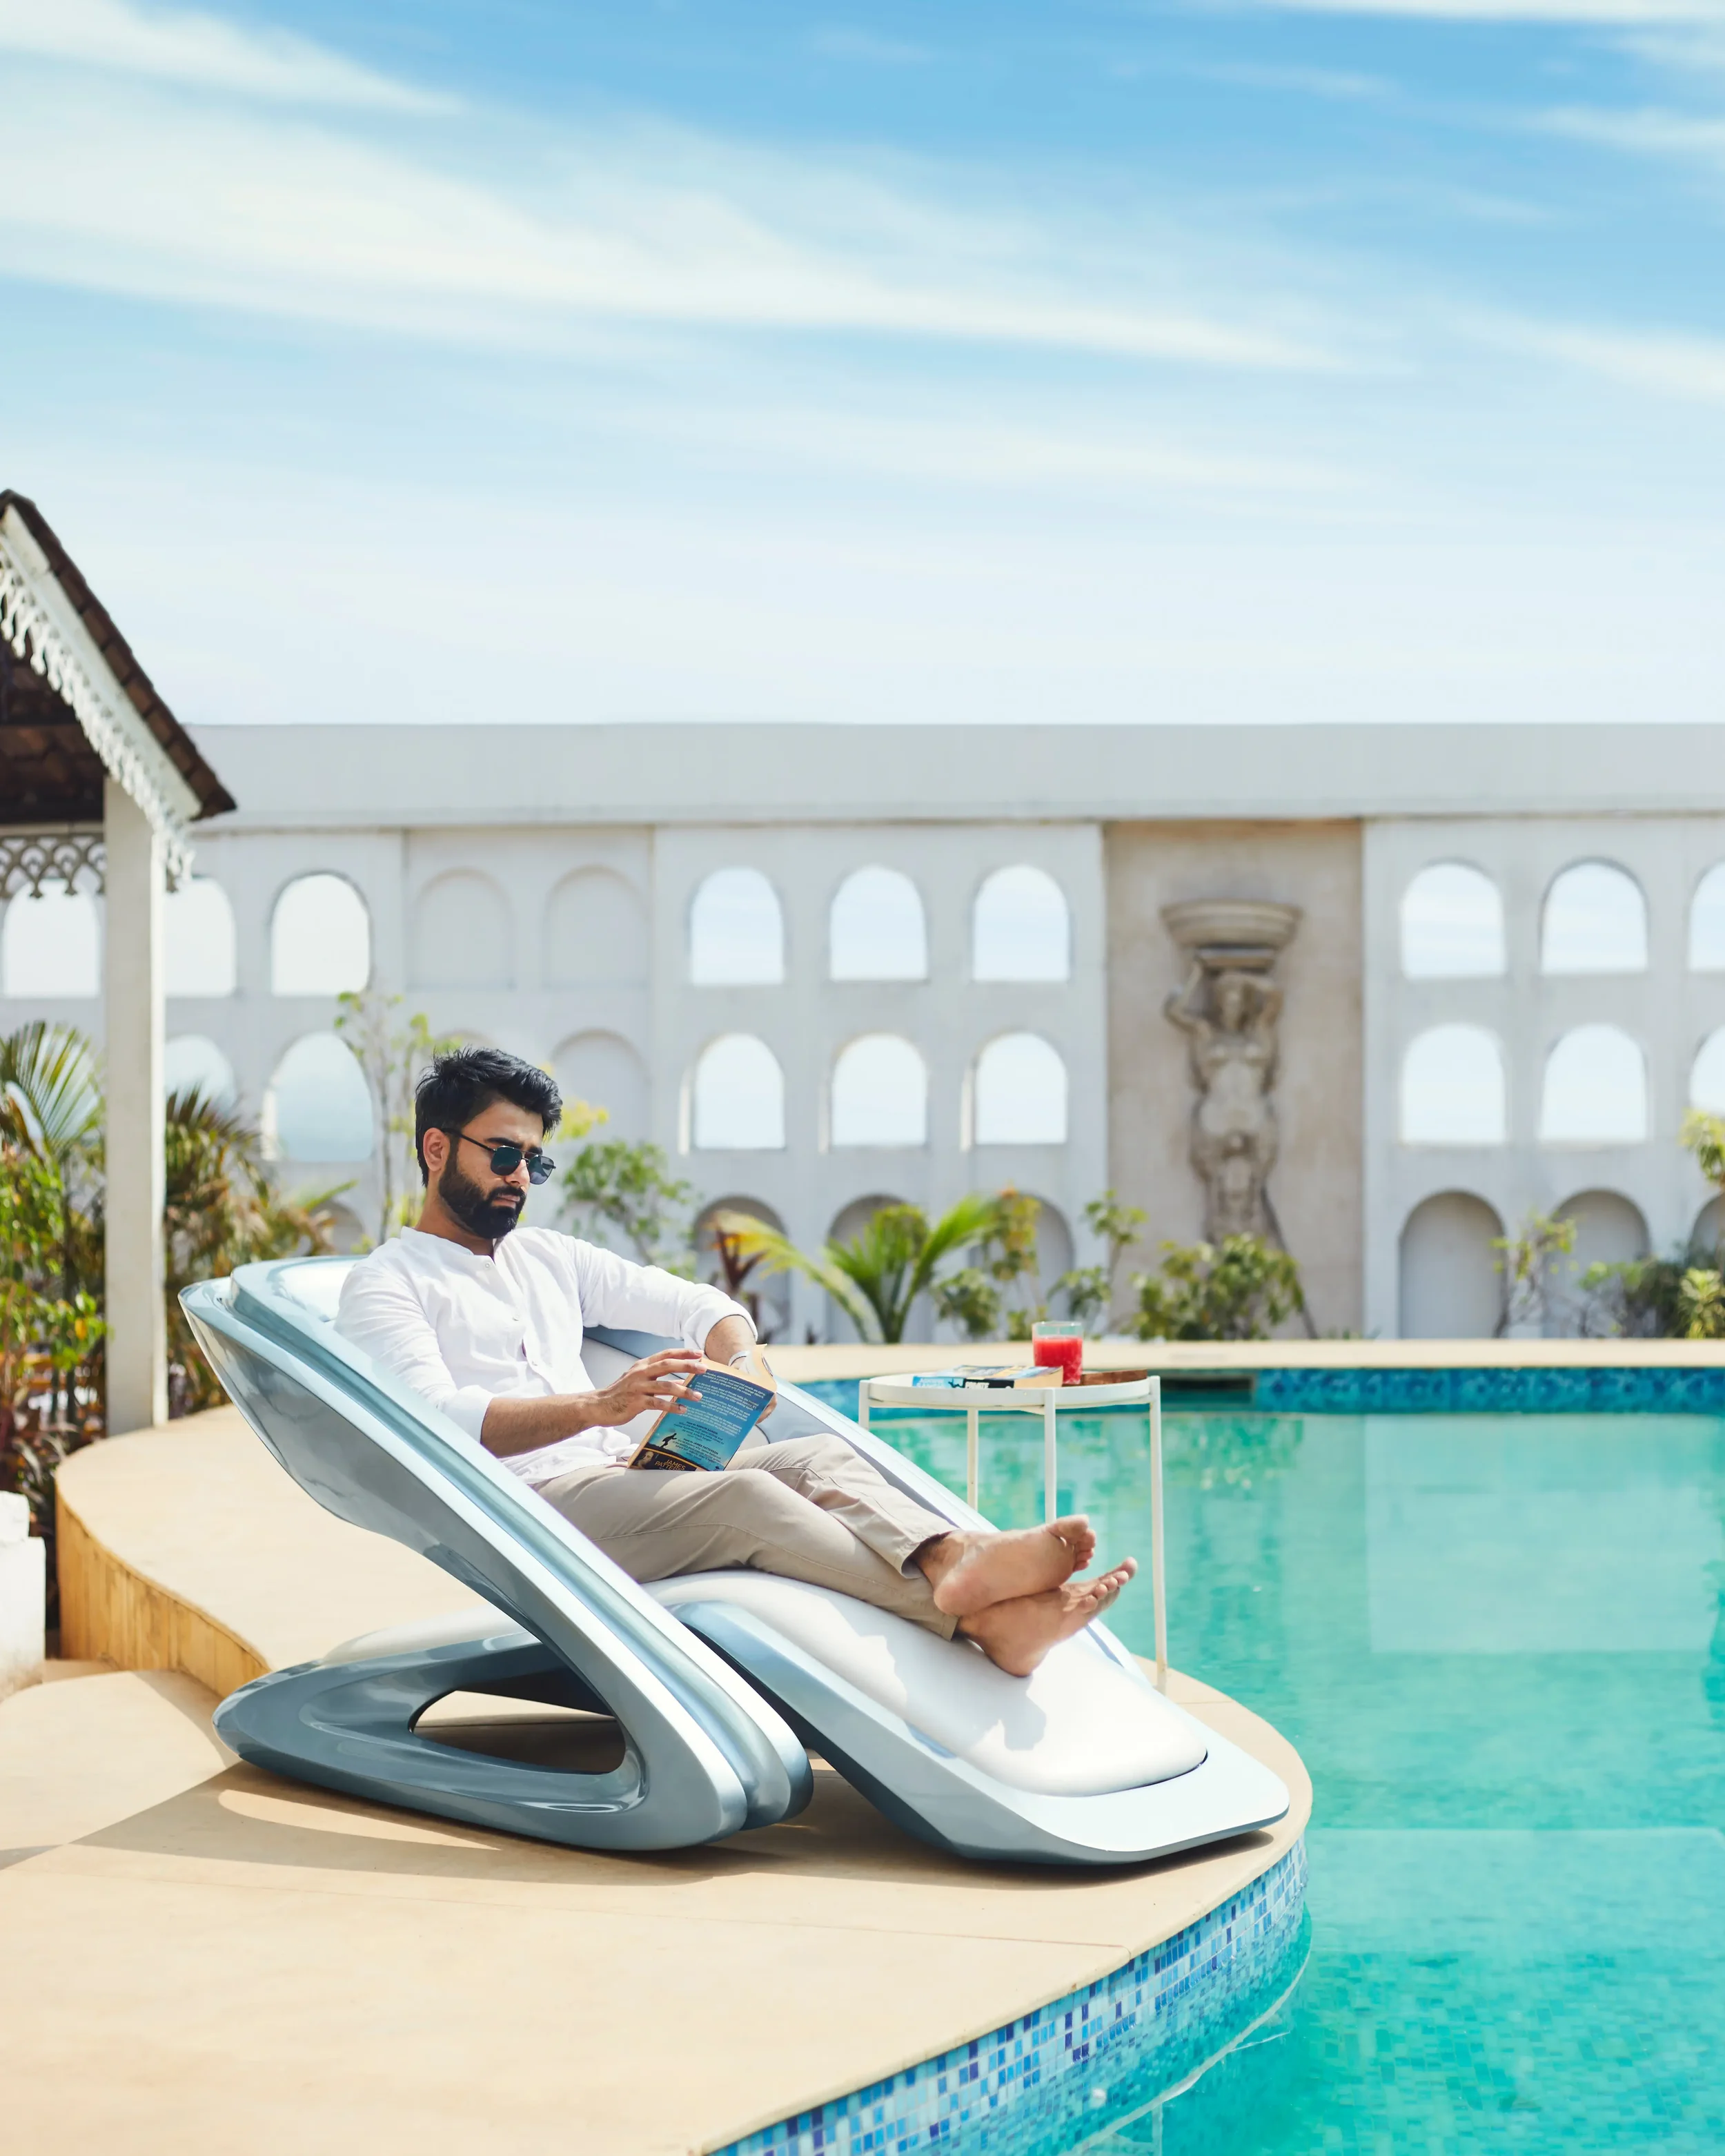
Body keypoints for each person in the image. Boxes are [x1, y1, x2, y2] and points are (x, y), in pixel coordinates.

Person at [337, 1047, 1134, 1677]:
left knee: (815, 1454)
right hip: (531, 1513)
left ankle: (952, 1558)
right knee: (746, 1496)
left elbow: (697, 1304)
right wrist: (596, 1408)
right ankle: (981, 1619)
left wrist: (742, 1361)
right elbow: (434, 1426)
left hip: (624, 1477)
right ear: (436, 1147)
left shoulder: (547, 1257)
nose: (521, 1179)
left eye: (535, 1164)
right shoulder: (387, 1284)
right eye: (505, 1155)